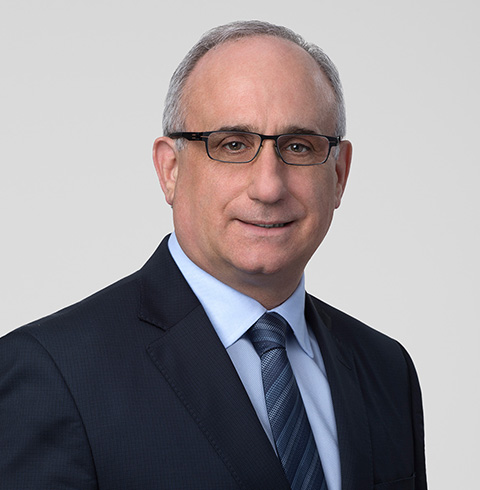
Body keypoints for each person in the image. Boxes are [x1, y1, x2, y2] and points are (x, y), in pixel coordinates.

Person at [0, 20, 427, 490]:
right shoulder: (54, 375)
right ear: (170, 169)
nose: (268, 187)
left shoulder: (386, 369)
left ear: (339, 174)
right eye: (233, 145)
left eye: (299, 146)